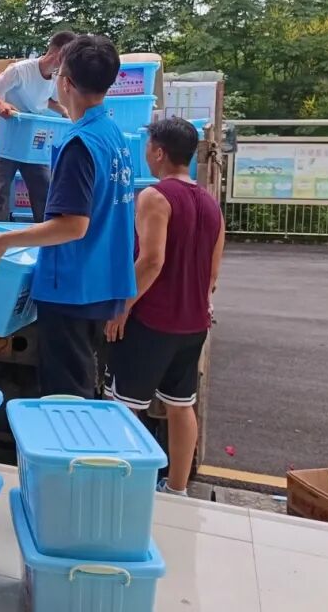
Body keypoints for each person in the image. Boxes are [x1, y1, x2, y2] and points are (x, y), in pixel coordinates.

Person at [0, 34, 136, 399]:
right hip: (102, 281)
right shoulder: (113, 134)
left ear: (65, 82)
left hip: (72, 289)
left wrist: (4, 240)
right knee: (83, 385)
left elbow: (73, 225)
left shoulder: (79, 144)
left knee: (66, 396)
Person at [105, 117, 225, 496]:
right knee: (181, 405)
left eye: (148, 146)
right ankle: (177, 489)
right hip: (194, 324)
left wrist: (122, 307)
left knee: (124, 406)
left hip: (152, 323)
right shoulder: (211, 204)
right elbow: (213, 274)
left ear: (158, 153)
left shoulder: (155, 197)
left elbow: (151, 261)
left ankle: (122, 486)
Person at [0, 31, 74, 223]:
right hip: (6, 138)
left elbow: (50, 100)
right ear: (59, 55)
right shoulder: (19, 70)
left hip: (34, 140)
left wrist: (65, 112)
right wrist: (0, 103)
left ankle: (45, 235)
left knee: (44, 189)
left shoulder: (57, 78)